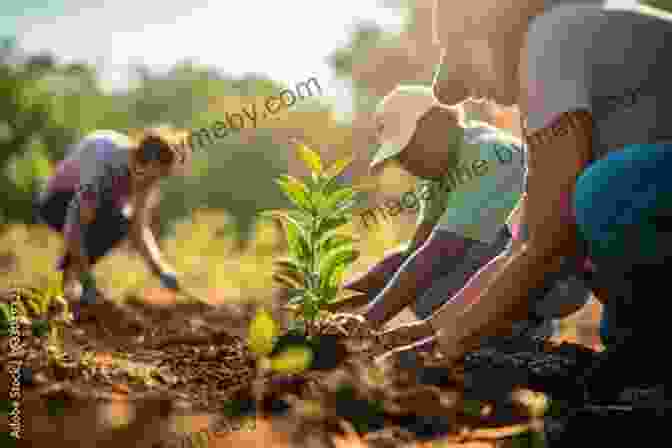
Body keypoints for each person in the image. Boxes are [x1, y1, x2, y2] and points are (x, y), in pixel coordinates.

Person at [382, 0, 672, 401]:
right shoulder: (554, 55)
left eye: (457, 46)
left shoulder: (549, 39)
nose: (459, 83)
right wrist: (432, 328)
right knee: (598, 241)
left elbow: (548, 240)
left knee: (603, 192)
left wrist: (448, 346)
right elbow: (527, 243)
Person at [344, 85, 592, 350]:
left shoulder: (485, 155)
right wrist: (338, 302)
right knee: (412, 272)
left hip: (562, 278)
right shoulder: (440, 174)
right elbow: (414, 253)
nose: (406, 164)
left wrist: (367, 320)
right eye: (398, 158)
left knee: (430, 271)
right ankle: (510, 329)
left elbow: (439, 253)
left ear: (438, 123)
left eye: (406, 150)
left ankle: (510, 333)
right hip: (521, 267)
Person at [35, 127, 192, 319]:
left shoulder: (145, 175)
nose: (153, 185)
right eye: (153, 177)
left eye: (159, 178)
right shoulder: (104, 167)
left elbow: (138, 228)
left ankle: (72, 287)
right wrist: (87, 282)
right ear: (140, 163)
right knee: (104, 219)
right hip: (56, 200)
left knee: (121, 221)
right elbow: (75, 228)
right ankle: (71, 286)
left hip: (93, 208)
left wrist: (161, 269)